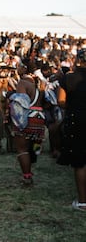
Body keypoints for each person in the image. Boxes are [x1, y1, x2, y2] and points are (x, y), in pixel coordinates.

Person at [57, 48, 86, 211]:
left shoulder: (69, 78)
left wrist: (74, 106)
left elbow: (61, 101)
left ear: (78, 60)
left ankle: (83, 201)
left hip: (76, 120)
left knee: (80, 162)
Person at [8, 60, 46, 186]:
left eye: (19, 67)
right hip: (40, 117)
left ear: (24, 69)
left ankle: (27, 176)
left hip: (27, 117)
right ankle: (31, 167)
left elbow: (21, 104)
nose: (17, 69)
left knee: (22, 148)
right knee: (35, 145)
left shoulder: (23, 83)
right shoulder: (41, 83)